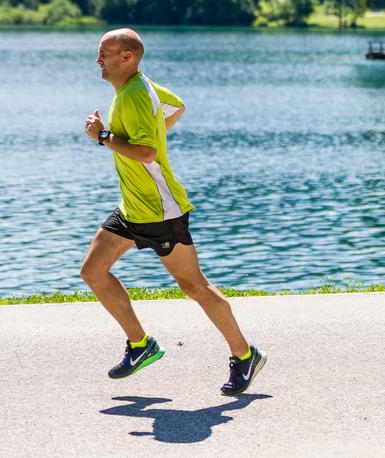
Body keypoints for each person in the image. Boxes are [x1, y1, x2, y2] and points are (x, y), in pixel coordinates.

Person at [82, 28, 266, 396]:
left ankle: (245, 355)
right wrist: (151, 134)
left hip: (159, 211)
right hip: (132, 207)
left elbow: (147, 153)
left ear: (127, 57)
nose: (98, 61)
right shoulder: (138, 88)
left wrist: (103, 137)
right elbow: (177, 106)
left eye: (104, 54)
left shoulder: (134, 96)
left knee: (194, 286)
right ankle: (140, 344)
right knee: (93, 271)